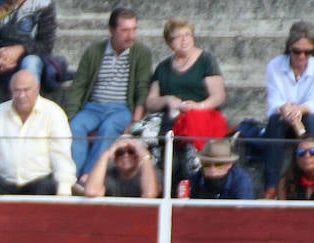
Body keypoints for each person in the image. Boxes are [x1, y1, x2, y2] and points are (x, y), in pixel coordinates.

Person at [66, 8, 152, 183]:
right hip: (93, 106)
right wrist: (71, 115)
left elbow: (143, 89)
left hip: (120, 108)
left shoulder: (142, 53)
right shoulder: (94, 51)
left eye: (134, 29)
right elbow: (79, 86)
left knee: (109, 127)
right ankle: (72, 176)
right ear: (112, 30)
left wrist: (135, 120)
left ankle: (88, 176)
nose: (131, 35)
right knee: (76, 126)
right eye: (125, 30)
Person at [0, 69, 73, 195]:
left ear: (37, 88)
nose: (21, 96)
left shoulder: (54, 113)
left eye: (26, 90)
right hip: (4, 182)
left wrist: (64, 190)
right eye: (17, 91)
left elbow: (61, 155)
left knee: (46, 188)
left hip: (39, 182)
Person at [261, 22, 314, 197]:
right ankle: (271, 186)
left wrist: (298, 110)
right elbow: (274, 99)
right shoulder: (275, 65)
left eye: (308, 52)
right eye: (297, 51)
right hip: (286, 117)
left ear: (313, 51)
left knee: (310, 118)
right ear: (289, 48)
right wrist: (285, 109)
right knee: (275, 121)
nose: (302, 56)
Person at [145, 16, 225, 176]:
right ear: (169, 42)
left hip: (200, 113)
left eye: (187, 34)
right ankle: (155, 182)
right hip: (170, 116)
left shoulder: (206, 61)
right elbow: (151, 102)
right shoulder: (163, 67)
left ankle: (192, 181)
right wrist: (167, 100)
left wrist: (198, 106)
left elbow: (218, 96)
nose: (184, 40)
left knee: (192, 128)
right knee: (144, 133)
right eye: (178, 37)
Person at [82, 134, 156, 198]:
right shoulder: (108, 173)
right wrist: (106, 155)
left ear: (138, 155)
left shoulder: (149, 173)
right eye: (120, 152)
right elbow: (92, 192)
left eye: (131, 151)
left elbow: (149, 195)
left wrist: (145, 156)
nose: (125, 155)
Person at [184, 138, 253, 200]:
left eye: (218, 165)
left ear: (229, 164)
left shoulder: (241, 181)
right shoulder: (193, 180)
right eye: (206, 164)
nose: (212, 169)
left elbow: (244, 211)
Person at [271, 135, 314, 202]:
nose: (307, 155)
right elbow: (282, 211)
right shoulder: (285, 182)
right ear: (296, 158)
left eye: (313, 151)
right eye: (301, 152)